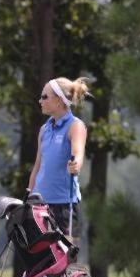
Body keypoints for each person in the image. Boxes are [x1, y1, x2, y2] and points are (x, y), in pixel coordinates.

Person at [25, 76, 92, 241]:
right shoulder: (44, 130)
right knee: (40, 260)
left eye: (45, 96)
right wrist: (28, 197)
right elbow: (38, 166)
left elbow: (78, 152)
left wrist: (76, 164)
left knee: (64, 260)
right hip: (39, 205)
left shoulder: (75, 126)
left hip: (64, 206)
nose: (40, 100)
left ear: (59, 100)